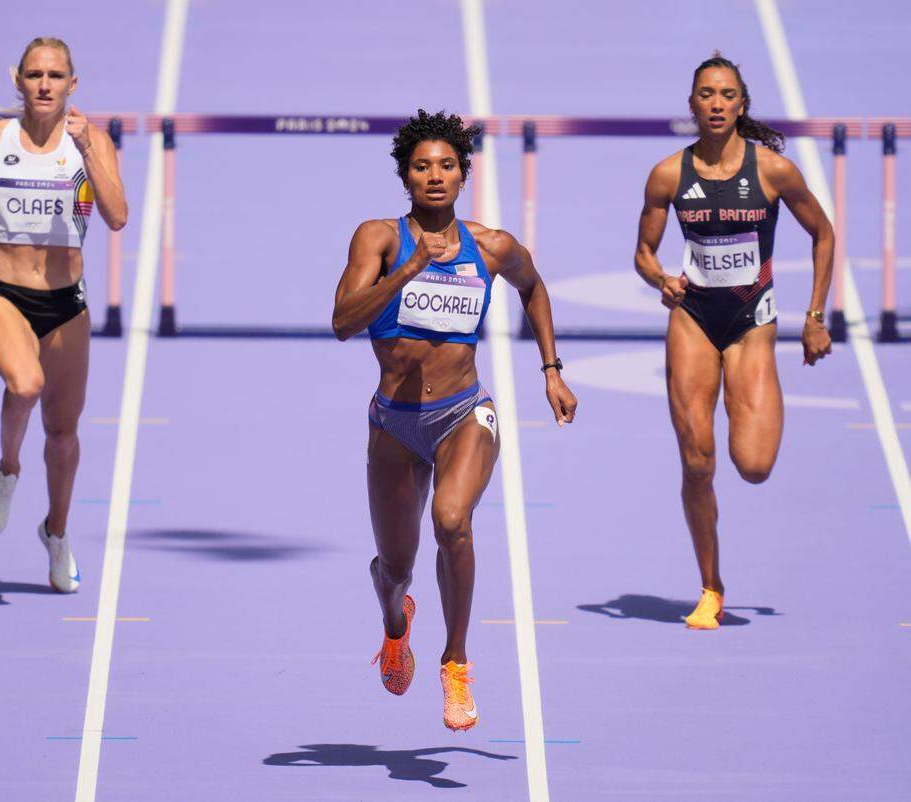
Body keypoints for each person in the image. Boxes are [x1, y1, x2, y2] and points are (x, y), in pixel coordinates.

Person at [332, 109, 577, 730]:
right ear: (405, 176)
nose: (434, 176)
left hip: (464, 413)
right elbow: (342, 320)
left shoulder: (491, 246)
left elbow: (535, 287)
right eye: (422, 167)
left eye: (446, 165)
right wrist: (409, 271)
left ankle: (456, 662)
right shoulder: (379, 240)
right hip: (393, 424)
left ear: (463, 175)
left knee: (452, 520)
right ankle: (395, 625)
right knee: (395, 569)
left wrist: (551, 368)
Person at [0, 37, 127, 593]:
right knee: (25, 383)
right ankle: (9, 470)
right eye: (34, 74)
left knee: (63, 434)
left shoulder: (93, 142)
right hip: (3, 293)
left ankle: (56, 532)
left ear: (72, 84)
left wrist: (86, 152)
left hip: (66, 304)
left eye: (55, 75)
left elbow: (118, 215)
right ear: (19, 81)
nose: (44, 84)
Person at [634, 53, 833, 629]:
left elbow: (823, 233)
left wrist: (816, 315)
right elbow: (643, 252)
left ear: (741, 105)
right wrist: (660, 279)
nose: (716, 104)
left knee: (753, 465)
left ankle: (754, 397)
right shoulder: (669, 174)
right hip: (693, 318)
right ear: (692, 104)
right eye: (705, 94)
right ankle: (711, 586)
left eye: (726, 95)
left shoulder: (772, 171)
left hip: (752, 323)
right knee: (697, 461)